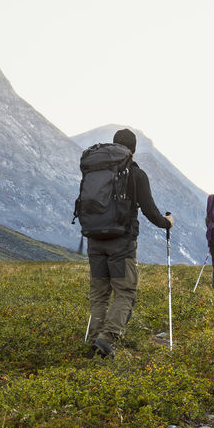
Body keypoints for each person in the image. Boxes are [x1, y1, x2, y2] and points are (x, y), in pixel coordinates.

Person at [86, 128, 173, 358]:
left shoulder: (96, 170)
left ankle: (94, 338)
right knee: (125, 291)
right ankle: (107, 338)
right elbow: (150, 210)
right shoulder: (136, 174)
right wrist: (167, 223)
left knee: (99, 293)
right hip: (121, 243)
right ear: (133, 150)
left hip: (94, 239)